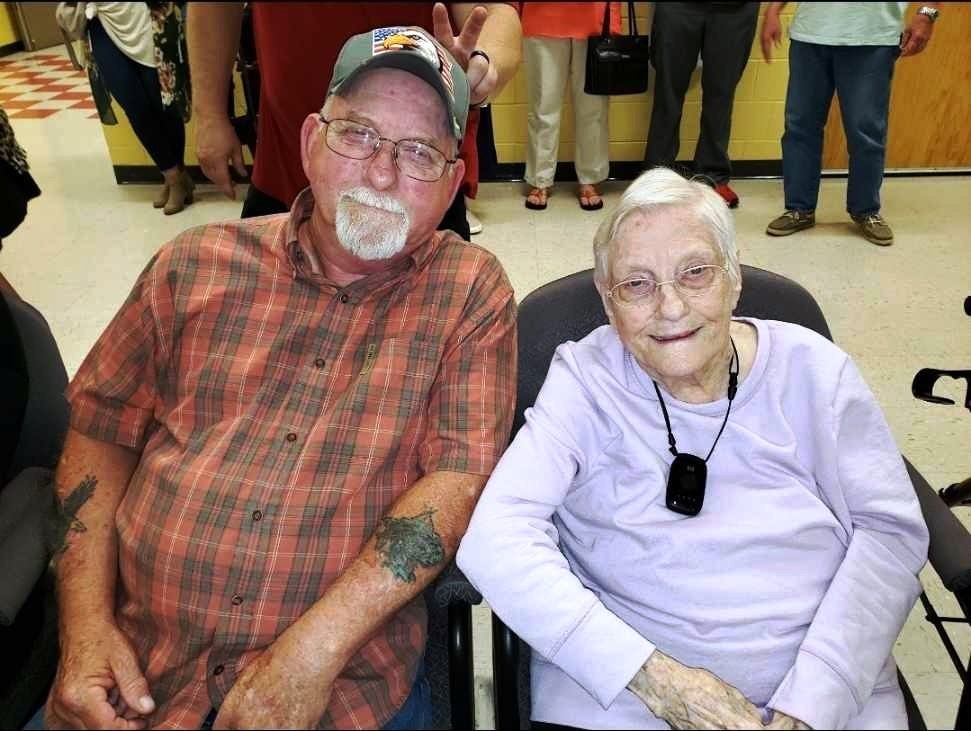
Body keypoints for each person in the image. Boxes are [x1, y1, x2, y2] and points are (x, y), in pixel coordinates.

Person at [42, 26, 516, 730]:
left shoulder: (469, 293)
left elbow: (458, 477)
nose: (381, 174)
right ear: (310, 142)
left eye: (419, 152)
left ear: (453, 182)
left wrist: (308, 656)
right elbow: (99, 431)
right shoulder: (191, 263)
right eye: (357, 135)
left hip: (341, 688)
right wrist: (83, 629)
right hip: (134, 669)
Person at [457, 168, 929, 730]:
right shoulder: (584, 380)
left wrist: (812, 704)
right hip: (628, 703)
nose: (671, 306)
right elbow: (494, 538)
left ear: (734, 278)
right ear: (607, 301)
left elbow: (889, 534)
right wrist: (656, 680)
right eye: (637, 284)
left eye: (696, 273)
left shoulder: (816, 372)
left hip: (830, 698)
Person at [188, 2, 522, 238]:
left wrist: (482, 64)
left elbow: (497, 12)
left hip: (415, 181)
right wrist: (209, 113)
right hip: (285, 164)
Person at [762, 2, 940, 246]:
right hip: (810, 33)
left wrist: (927, 14)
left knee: (866, 131)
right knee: (800, 127)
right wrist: (773, 9)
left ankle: (866, 210)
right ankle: (798, 209)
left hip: (873, 36)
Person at [643, 2, 760, 209]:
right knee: (667, 91)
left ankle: (713, 175)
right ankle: (658, 173)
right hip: (677, 6)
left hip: (736, 10)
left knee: (721, 94)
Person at [83, 2, 193, 215]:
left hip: (148, 15)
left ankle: (176, 175)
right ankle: (173, 177)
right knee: (135, 106)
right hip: (101, 21)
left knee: (164, 102)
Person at [520, 2, 619, 212]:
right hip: (542, 14)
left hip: (595, 17)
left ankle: (590, 178)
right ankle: (540, 179)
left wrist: (613, 17)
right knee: (543, 107)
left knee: (593, 108)